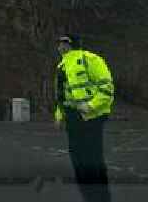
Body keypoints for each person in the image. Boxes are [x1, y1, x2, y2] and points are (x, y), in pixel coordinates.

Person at [54, 35, 114, 202]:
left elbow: (107, 87)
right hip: (72, 117)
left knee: (93, 159)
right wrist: (59, 115)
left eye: (63, 42)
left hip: (92, 117)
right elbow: (61, 95)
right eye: (59, 43)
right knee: (78, 160)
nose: (60, 46)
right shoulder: (61, 65)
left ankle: (101, 198)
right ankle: (89, 197)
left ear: (71, 44)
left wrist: (90, 106)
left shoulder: (90, 59)